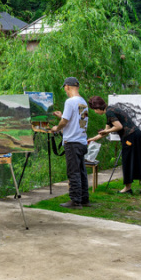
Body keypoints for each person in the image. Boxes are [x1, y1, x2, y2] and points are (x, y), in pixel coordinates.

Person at [87, 96, 141, 195]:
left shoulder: (109, 112)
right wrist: (93, 139)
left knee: (127, 161)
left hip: (130, 137)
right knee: (138, 160)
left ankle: (127, 188)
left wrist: (107, 130)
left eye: (95, 110)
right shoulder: (111, 109)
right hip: (137, 134)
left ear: (98, 107)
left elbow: (118, 126)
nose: (95, 112)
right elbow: (106, 131)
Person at [50, 77, 90, 209]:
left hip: (72, 142)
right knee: (81, 171)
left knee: (73, 172)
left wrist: (57, 128)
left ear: (67, 87)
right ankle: (84, 198)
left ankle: (75, 201)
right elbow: (76, 120)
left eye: (65, 89)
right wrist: (62, 116)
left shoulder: (70, 102)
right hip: (82, 141)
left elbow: (65, 121)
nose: (65, 91)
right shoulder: (83, 102)